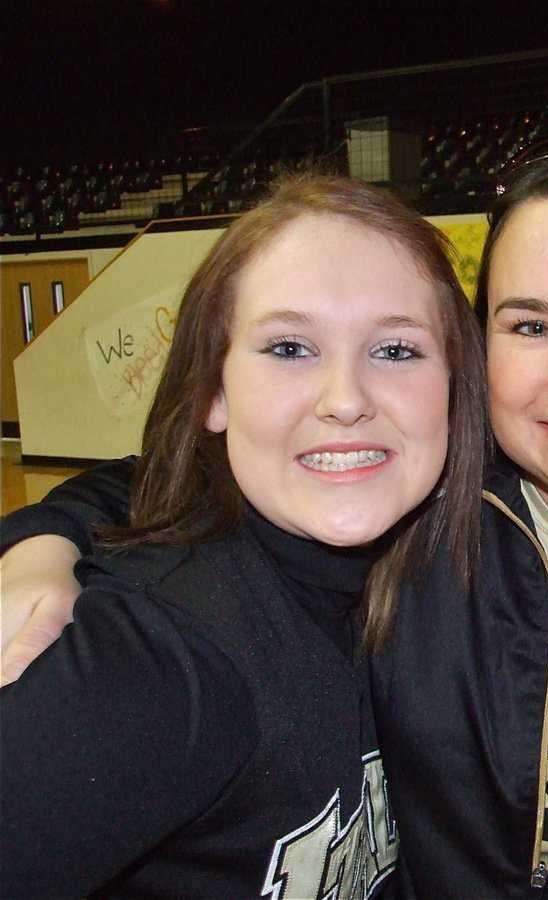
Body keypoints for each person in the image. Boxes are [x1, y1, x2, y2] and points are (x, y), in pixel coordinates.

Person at [1, 137, 548, 894]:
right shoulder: (409, 527)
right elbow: (171, 495)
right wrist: (43, 540)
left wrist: (43, 535)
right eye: (531, 326)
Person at [0, 173, 488, 897]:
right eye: (290, 348)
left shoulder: (421, 566)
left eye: (395, 351)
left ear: (454, 389)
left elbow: (144, 478)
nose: (346, 401)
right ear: (213, 394)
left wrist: (44, 534)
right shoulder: (164, 661)